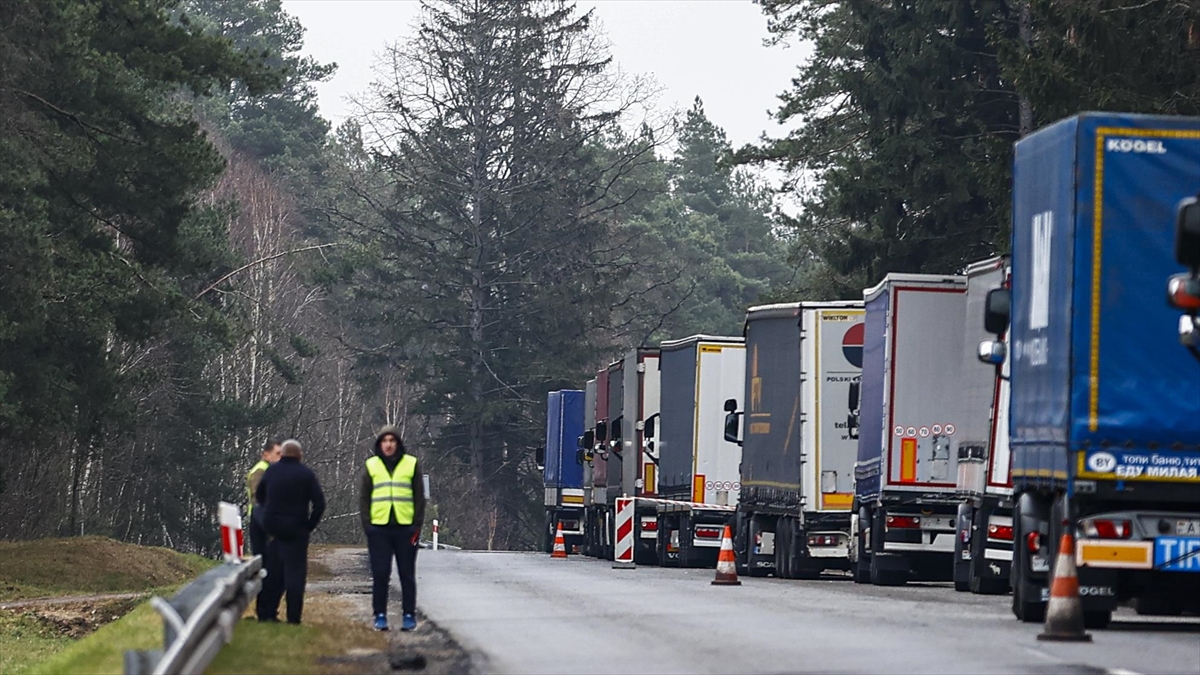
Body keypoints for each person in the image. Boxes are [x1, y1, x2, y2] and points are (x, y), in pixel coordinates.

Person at [361, 425, 425, 632]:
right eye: (384, 441)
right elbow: (364, 498)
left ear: (398, 443)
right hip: (379, 528)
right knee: (380, 574)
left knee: (407, 574)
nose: (388, 445)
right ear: (379, 444)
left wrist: (416, 526)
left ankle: (409, 615)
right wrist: (368, 525)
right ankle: (380, 615)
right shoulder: (371, 465)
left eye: (392, 440)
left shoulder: (411, 464)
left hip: (405, 528)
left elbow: (418, 498)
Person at [256, 438, 325, 625]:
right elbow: (319, 503)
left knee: (273, 574)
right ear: (300, 455)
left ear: (283, 454)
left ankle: (266, 613)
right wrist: (309, 525)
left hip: (275, 530)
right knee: (295, 575)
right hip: (297, 530)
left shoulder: (271, 472)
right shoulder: (306, 474)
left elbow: (260, 496)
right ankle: (293, 618)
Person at [246, 439, 282, 558]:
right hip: (260, 520)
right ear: (266, 454)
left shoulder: (269, 469)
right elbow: (258, 497)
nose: (281, 458)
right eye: (277, 454)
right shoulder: (261, 470)